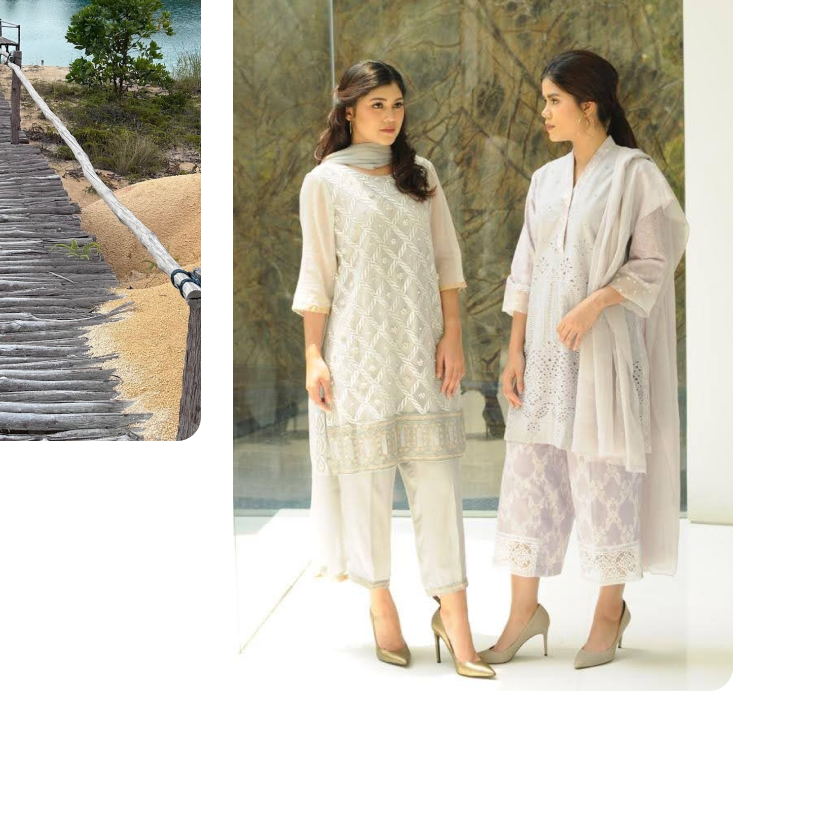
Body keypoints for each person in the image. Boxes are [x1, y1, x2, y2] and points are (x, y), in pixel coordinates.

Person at [482, 49, 687, 670]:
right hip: (543, 352)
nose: (543, 112)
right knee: (530, 475)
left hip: (602, 350)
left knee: (604, 472)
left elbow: (658, 256)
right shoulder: (544, 180)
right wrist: (513, 352)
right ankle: (524, 612)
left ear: (587, 106)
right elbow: (525, 268)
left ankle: (608, 611)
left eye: (553, 100)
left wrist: (596, 302)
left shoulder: (635, 174)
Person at [293, 60, 493, 678]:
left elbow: (446, 260)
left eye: (398, 104)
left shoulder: (420, 175)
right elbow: (317, 275)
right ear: (347, 109)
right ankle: (381, 605)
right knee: (367, 485)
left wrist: (454, 334)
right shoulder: (324, 183)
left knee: (437, 484)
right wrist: (313, 355)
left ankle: (455, 618)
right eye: (377, 104)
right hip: (357, 353)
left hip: (424, 349)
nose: (390, 116)